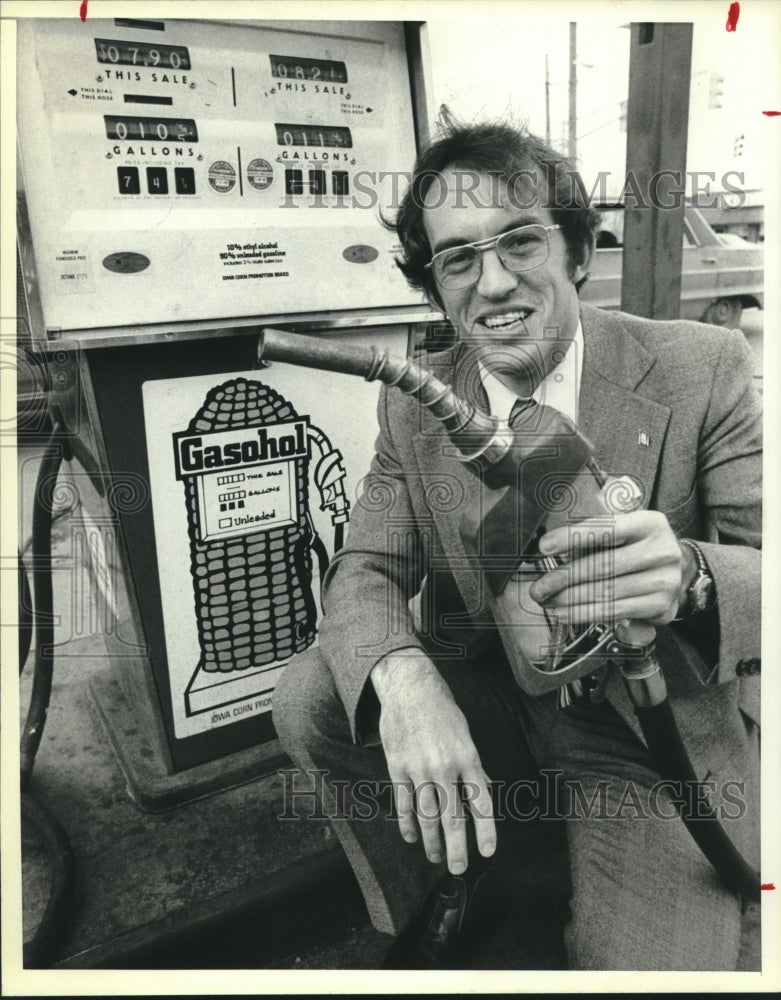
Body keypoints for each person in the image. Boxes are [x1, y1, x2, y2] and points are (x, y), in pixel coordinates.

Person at [273, 122, 761, 971]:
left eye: (520, 242)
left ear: (575, 251)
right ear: (436, 288)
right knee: (318, 696)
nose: (493, 283)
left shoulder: (701, 365)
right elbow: (367, 568)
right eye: (457, 258)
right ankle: (441, 883)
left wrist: (693, 579)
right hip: (501, 697)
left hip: (648, 741)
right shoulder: (416, 402)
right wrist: (405, 677)